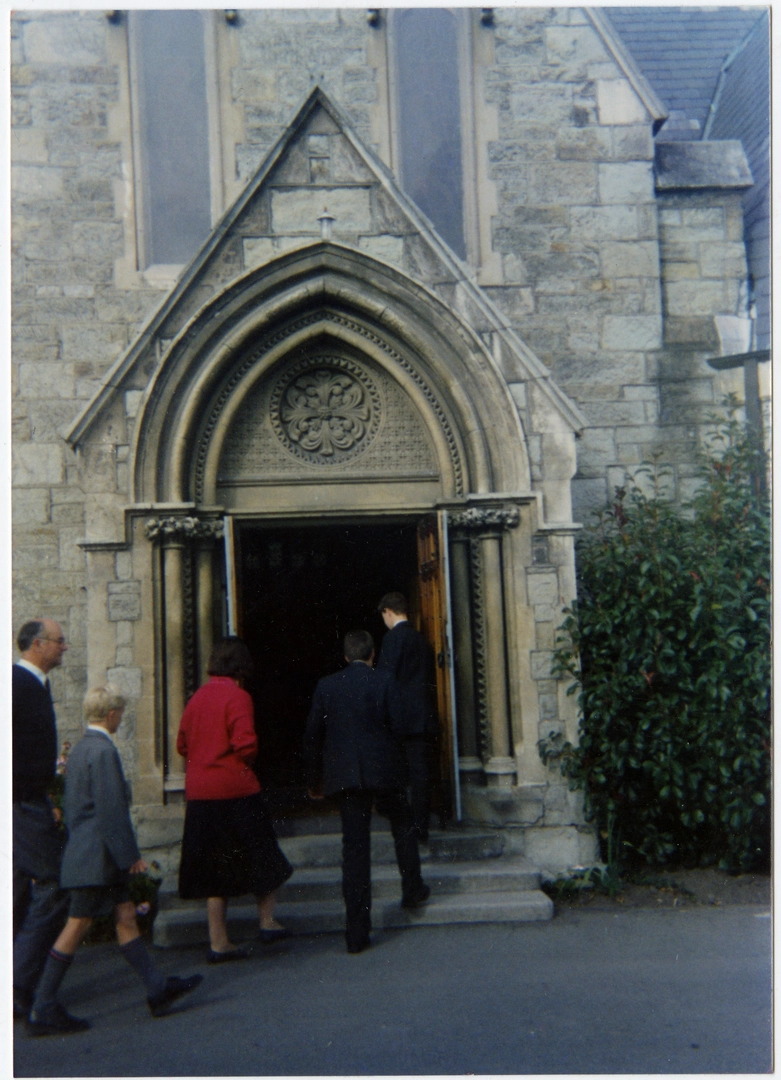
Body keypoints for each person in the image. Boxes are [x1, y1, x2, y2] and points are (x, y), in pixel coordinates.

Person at [27, 685, 203, 1035]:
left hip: (89, 856)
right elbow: (111, 812)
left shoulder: (80, 749)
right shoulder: (104, 752)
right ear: (110, 715)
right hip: (98, 860)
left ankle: (157, 989)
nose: (121, 718)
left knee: (125, 917)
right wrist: (131, 857)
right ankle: (42, 1008)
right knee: (76, 926)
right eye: (120, 712)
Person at [304, 629, 430, 954]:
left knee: (355, 849)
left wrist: (313, 779)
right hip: (384, 772)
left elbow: (313, 735)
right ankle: (412, 887)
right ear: (372, 655)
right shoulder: (385, 681)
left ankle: (357, 933)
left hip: (347, 777)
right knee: (402, 825)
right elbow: (399, 726)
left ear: (346, 657)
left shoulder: (326, 686)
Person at [177, 637, 293, 962]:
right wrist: (243, 761)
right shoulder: (238, 696)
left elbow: (182, 745)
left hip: (201, 794)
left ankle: (219, 942)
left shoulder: (196, 698)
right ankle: (267, 922)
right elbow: (246, 744)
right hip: (235, 789)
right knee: (263, 854)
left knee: (215, 869)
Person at [13, 619, 71, 1021]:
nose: (64, 647)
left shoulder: (31, 684)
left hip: (29, 798)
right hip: (20, 802)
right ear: (38, 644)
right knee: (53, 885)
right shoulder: (19, 685)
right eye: (59, 641)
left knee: (17, 888)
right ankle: (19, 984)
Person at [376, 592, 438, 842]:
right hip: (423, 719)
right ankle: (421, 828)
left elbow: (385, 680)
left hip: (400, 721)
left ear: (388, 612)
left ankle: (403, 828)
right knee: (420, 775)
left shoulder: (393, 639)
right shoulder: (422, 641)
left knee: (396, 775)